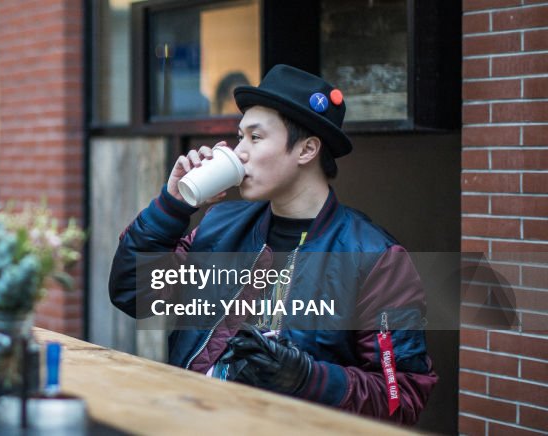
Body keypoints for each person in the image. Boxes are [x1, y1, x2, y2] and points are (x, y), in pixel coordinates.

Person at [108, 64, 436, 424]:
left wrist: (308, 378)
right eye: (239, 137)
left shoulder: (375, 258)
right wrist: (171, 205)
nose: (238, 151)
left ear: (307, 149)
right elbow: (133, 295)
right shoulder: (219, 227)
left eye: (255, 137)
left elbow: (398, 398)